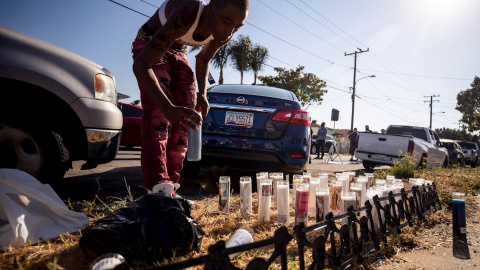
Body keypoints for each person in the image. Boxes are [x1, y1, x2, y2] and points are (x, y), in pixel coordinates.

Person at [132, 0, 249, 196]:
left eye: (237, 27)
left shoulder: (225, 30)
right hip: (150, 44)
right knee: (158, 113)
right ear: (211, 7)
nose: (230, 32)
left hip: (178, 50)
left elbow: (203, 59)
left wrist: (202, 93)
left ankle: (170, 185)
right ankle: (157, 185)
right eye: (227, 21)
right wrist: (168, 108)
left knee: (187, 113)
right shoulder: (188, 11)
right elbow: (141, 65)